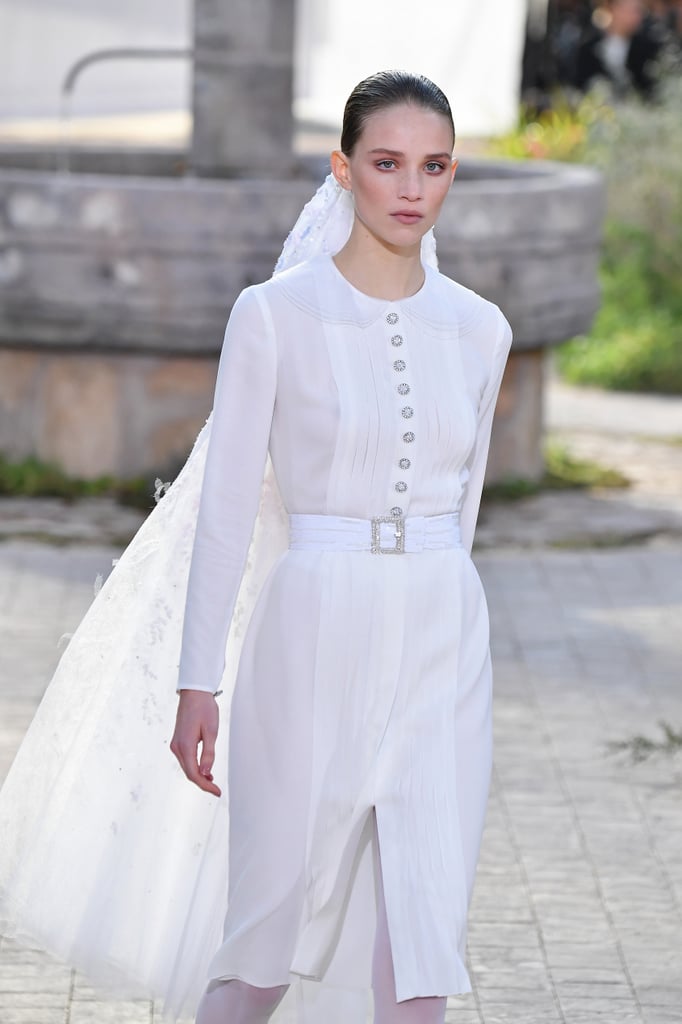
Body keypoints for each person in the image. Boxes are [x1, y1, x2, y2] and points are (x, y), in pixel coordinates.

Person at [0, 70, 512, 1024]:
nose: (411, 188)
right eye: (387, 163)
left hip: (445, 643)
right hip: (308, 633)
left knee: (424, 937)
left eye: (434, 166)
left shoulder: (481, 331)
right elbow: (228, 510)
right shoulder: (273, 315)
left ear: (451, 176)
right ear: (343, 169)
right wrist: (200, 682)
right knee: (266, 934)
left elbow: (464, 512)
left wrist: (447, 611)